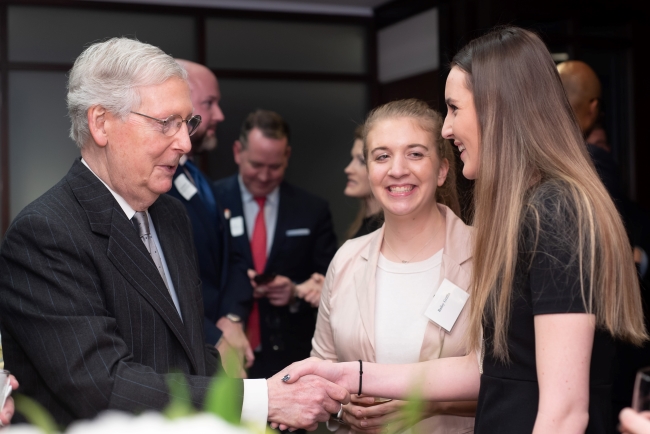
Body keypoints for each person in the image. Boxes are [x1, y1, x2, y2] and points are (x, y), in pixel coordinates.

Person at [280, 26, 648, 434]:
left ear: (497, 107)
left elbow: (565, 411)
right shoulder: (528, 213)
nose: (446, 129)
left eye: (454, 109)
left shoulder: (555, 211)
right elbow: (490, 369)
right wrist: (354, 376)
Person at [0, 38, 348, 430]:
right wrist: (260, 400)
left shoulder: (170, 214)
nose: (184, 143)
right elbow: (103, 386)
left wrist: (262, 403)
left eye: (188, 123)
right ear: (101, 123)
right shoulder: (45, 234)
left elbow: (191, 353)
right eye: (166, 123)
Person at [312, 99, 472, 434]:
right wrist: (341, 409)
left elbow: (513, 380)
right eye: (382, 156)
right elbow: (321, 368)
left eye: (415, 153)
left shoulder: (486, 257)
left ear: (442, 169)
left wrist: (429, 402)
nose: (397, 169)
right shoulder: (346, 260)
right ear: (370, 170)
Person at [213, 109, 338, 380]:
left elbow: (330, 281)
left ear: (287, 157)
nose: (264, 176)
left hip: (288, 358)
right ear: (237, 152)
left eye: (275, 167)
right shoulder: (211, 201)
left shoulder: (311, 210)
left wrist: (293, 293)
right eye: (256, 165)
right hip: (222, 352)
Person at [167, 60, 254, 376]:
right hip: (186, 358)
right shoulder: (155, 185)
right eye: (209, 104)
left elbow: (235, 257)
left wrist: (231, 319)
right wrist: (214, 337)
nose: (219, 115)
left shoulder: (199, 177)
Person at [344, 125, 382, 240]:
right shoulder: (362, 223)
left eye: (361, 161)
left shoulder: (385, 233)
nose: (348, 169)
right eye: (352, 159)